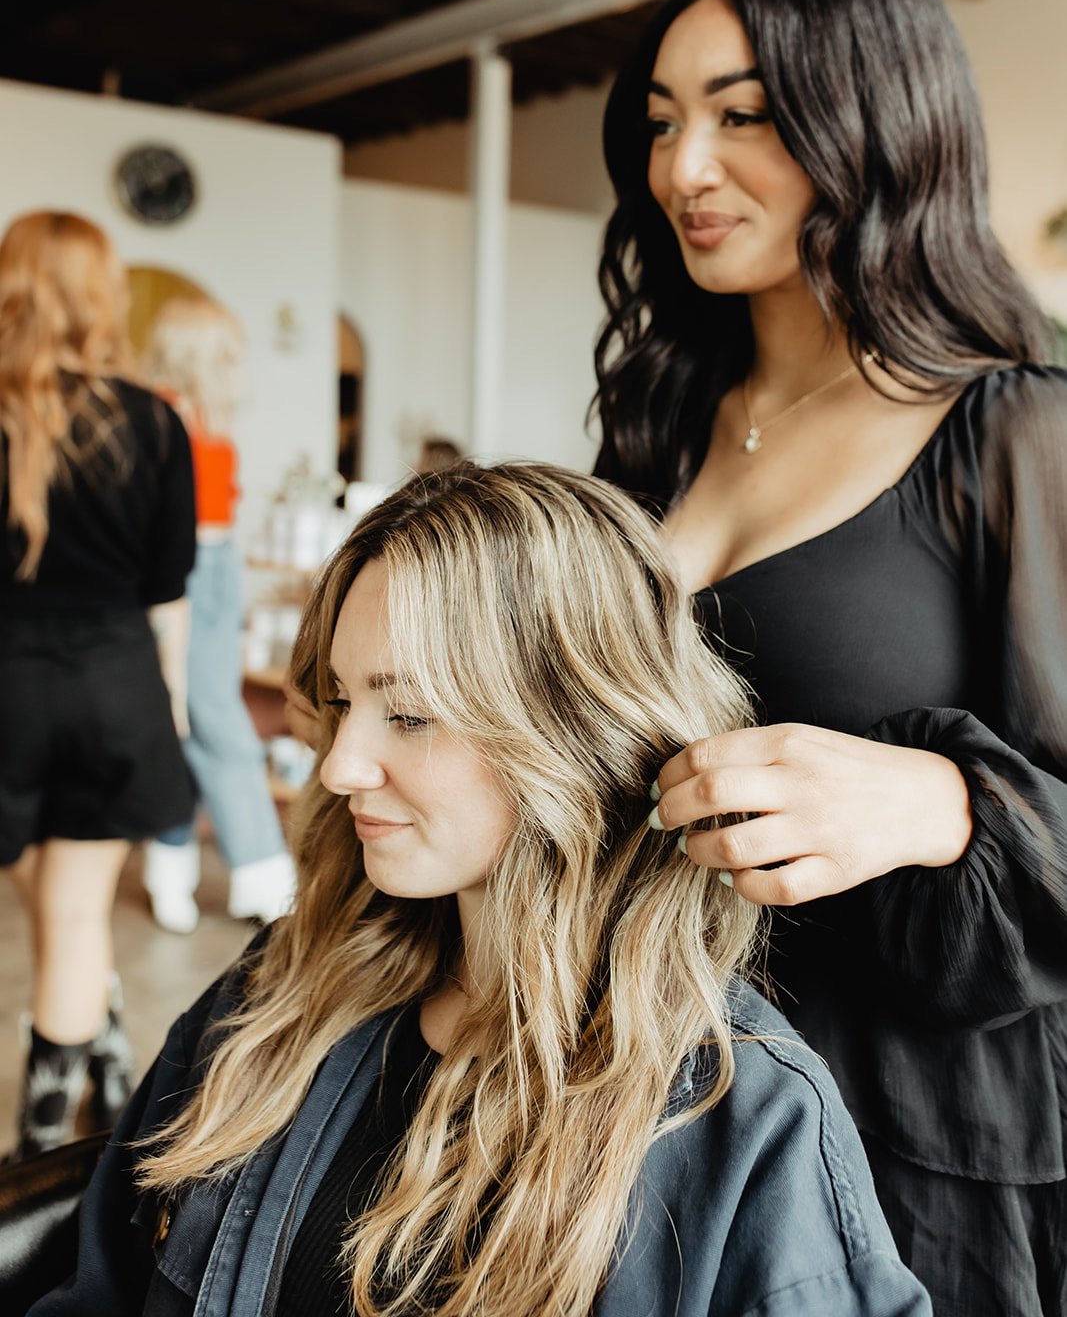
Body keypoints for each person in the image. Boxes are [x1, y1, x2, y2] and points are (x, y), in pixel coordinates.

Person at [31, 463, 930, 1316]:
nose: (341, 766)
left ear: (573, 729)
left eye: (409, 715)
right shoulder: (278, 991)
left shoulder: (743, 1124)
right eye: (342, 703)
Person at [592, 0, 1067, 1316]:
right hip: (665, 1105)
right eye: (662, 120)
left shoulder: (1013, 431)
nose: (682, 168)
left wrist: (939, 806)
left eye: (743, 114)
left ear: (874, 117)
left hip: (911, 1156)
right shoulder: (661, 424)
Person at [0, 210, 196, 1159]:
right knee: (72, 908)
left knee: (55, 901)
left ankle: (48, 1124)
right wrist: (171, 705)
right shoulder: (153, 421)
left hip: (7, 695)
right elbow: (168, 596)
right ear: (98, 295)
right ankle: (82, 1085)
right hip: (112, 687)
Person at [138, 296, 295, 931]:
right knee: (221, 728)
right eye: (228, 352)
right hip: (188, 576)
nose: (239, 363)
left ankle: (168, 866)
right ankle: (265, 876)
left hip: (217, 568)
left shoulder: (205, 421)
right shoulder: (162, 419)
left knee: (193, 732)